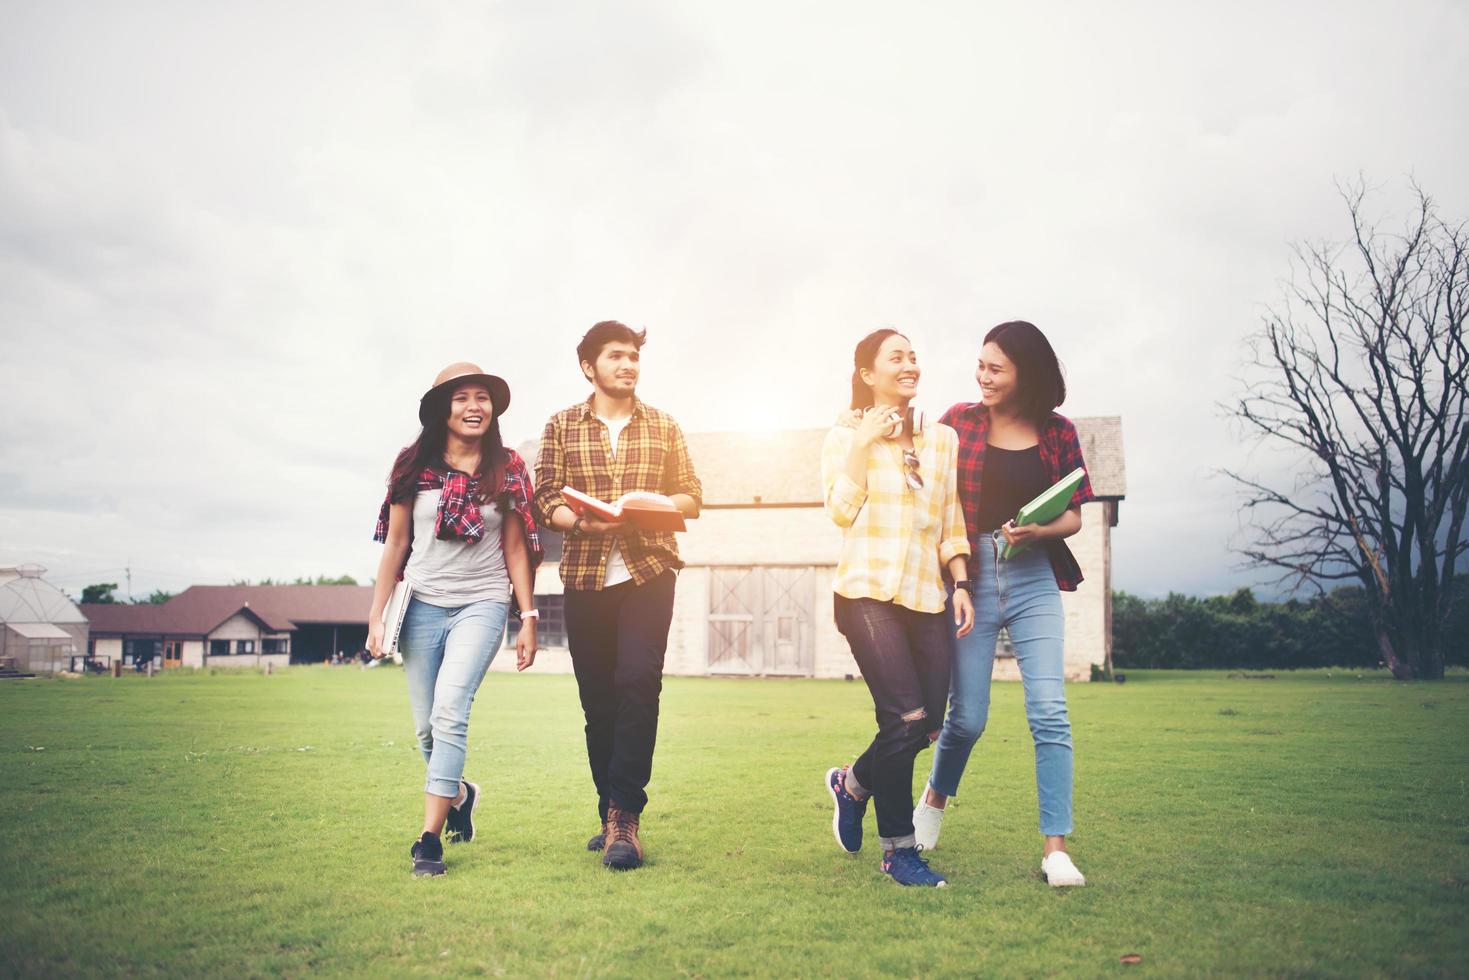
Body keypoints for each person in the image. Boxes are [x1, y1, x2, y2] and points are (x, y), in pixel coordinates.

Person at [912, 320, 1094, 888]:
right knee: (966, 718)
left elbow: (1075, 513)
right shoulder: (959, 422)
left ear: (1026, 375)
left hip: (1035, 573)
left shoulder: (1058, 432)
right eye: (981, 364)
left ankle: (1055, 849)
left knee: (1049, 710)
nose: (982, 376)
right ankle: (935, 800)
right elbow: (927, 488)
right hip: (971, 578)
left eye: (996, 368)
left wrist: (1037, 533)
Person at [533, 321, 702, 871]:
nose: (627, 364)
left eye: (633, 356)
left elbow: (691, 497)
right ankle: (608, 810)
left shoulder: (664, 425)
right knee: (598, 701)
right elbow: (546, 497)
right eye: (615, 356)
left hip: (649, 567)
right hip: (585, 574)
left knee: (637, 680)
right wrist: (578, 524)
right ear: (590, 366)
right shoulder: (560, 424)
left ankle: (627, 817)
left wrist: (649, 504)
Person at [367, 362, 542, 877]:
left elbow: (515, 545)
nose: (474, 406)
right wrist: (376, 616)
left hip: (483, 602)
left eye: (482, 398)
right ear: (443, 409)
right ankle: (461, 795)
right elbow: (397, 544)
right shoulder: (412, 466)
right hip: (420, 603)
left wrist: (527, 615)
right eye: (462, 397)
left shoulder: (507, 466)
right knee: (425, 729)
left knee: (449, 712)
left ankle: (428, 839)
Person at [821, 328, 973, 888]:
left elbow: (949, 517)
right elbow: (840, 510)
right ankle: (899, 853)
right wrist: (863, 442)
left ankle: (852, 784)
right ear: (867, 374)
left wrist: (959, 581)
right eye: (896, 357)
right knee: (903, 720)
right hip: (864, 593)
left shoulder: (942, 440)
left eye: (913, 356)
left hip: (925, 596)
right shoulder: (842, 436)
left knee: (928, 724)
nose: (909, 364)